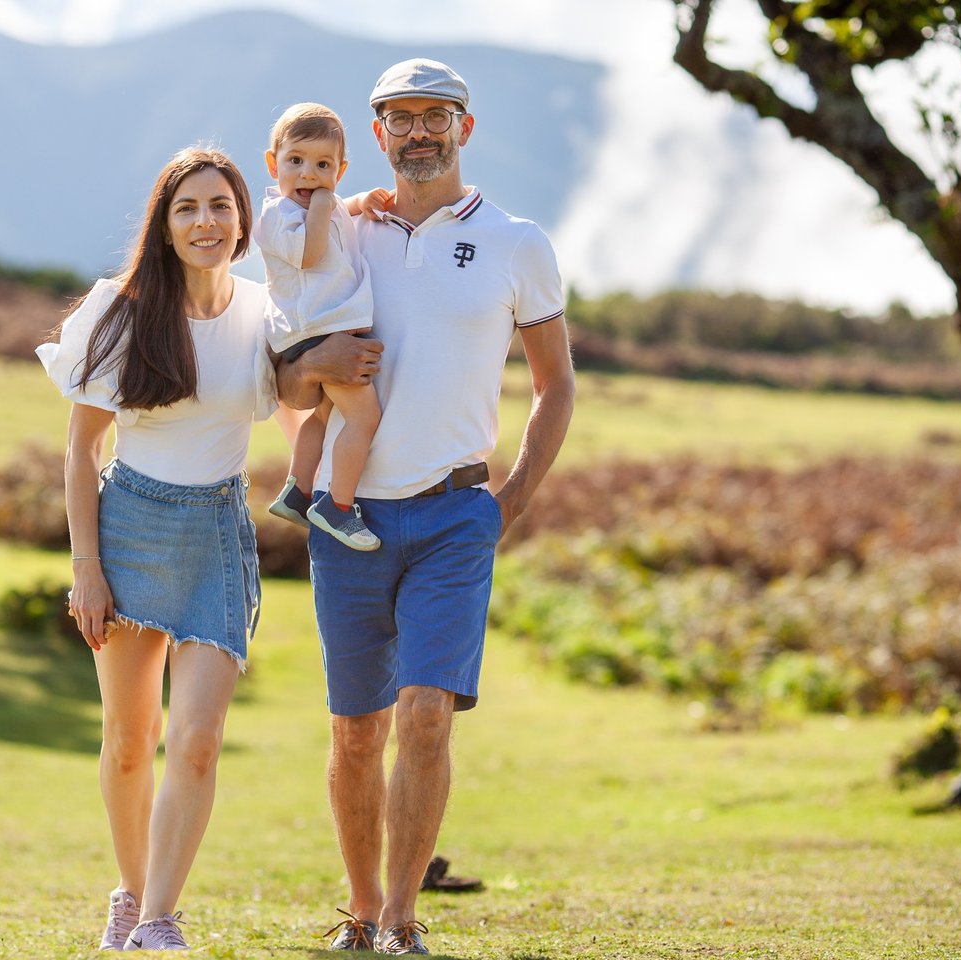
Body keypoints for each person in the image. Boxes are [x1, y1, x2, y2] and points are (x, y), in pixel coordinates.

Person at [276, 59, 576, 955]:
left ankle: (404, 919)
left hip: (455, 517)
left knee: (426, 715)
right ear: (376, 135)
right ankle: (361, 914)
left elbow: (555, 385)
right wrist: (309, 373)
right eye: (398, 118)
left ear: (464, 128)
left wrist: (511, 499)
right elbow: (286, 373)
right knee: (355, 729)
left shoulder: (518, 242)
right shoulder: (346, 229)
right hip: (349, 519)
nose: (416, 131)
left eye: (434, 116)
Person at [36, 146, 276, 952]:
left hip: (216, 532)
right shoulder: (123, 312)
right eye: (188, 209)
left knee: (198, 739)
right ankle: (130, 894)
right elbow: (79, 451)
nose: (206, 222)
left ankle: (161, 921)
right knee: (131, 739)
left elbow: (312, 390)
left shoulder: (265, 313)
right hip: (129, 526)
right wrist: (87, 571)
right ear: (165, 226)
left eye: (220, 206)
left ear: (242, 219)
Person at [256, 102, 389, 551]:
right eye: (296, 162)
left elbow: (335, 210)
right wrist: (325, 205)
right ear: (274, 163)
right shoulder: (278, 215)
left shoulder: (320, 203)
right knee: (364, 417)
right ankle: (338, 505)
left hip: (321, 326)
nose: (309, 175)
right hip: (318, 329)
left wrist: (356, 202)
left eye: (323, 166)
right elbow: (310, 254)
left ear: (340, 169)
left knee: (325, 414)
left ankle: (298, 489)